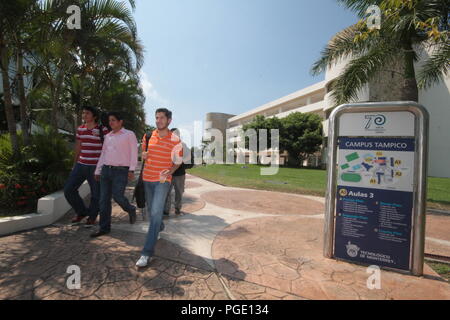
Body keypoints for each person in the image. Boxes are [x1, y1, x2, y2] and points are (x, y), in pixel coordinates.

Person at [135, 108, 183, 267]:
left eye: (162, 118)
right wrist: (144, 155)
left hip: (163, 181)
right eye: (157, 118)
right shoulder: (148, 136)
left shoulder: (175, 140)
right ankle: (159, 226)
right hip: (147, 179)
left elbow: (178, 161)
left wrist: (170, 171)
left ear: (169, 120)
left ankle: (146, 253)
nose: (158, 121)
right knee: (152, 212)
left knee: (155, 212)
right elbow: (143, 153)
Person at [90, 112, 138, 238]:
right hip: (106, 170)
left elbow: (134, 152)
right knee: (103, 200)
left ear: (120, 121)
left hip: (121, 171)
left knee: (118, 196)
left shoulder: (129, 134)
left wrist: (132, 170)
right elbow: (103, 154)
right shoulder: (108, 136)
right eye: (109, 120)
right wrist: (98, 170)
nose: (110, 123)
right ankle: (104, 228)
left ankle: (130, 209)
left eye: (113, 120)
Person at [64, 106, 108, 227]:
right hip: (81, 165)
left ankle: (92, 217)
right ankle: (81, 212)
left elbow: (107, 149)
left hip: (95, 166)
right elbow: (78, 146)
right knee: (68, 190)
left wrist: (102, 167)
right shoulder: (80, 129)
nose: (84, 115)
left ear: (94, 116)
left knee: (96, 194)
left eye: (87, 113)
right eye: (83, 113)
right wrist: (74, 164)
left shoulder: (102, 130)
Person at [164, 128, 192, 216]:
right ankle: (166, 210)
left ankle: (177, 209)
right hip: (168, 173)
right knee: (166, 192)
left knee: (179, 193)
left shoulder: (183, 145)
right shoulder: (166, 145)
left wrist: (181, 163)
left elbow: (189, 159)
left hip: (179, 174)